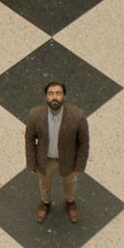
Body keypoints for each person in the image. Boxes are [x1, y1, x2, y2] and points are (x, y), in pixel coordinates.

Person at [24, 81, 89, 223]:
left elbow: (83, 143)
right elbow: (29, 139)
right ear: (46, 97)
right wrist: (31, 163)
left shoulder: (78, 116)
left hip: (68, 158)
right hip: (45, 159)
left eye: (58, 93)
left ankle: (70, 202)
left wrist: (80, 166)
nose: (54, 97)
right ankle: (45, 202)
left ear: (64, 96)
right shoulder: (35, 114)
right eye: (51, 93)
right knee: (44, 182)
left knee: (70, 182)